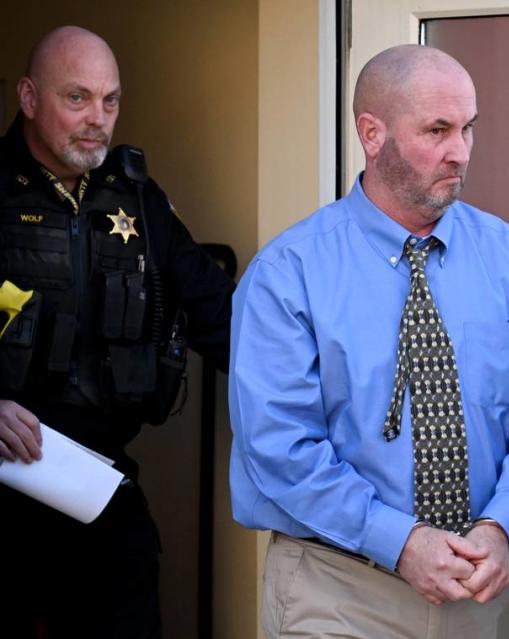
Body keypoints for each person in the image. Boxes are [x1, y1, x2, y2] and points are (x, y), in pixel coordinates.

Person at [229, 44, 509, 638]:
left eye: (468, 127)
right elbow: (279, 445)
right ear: (372, 134)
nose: (460, 151)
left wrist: (502, 525)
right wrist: (398, 542)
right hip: (337, 589)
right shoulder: (289, 273)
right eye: (438, 130)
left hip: (473, 593)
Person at [0, 26, 234, 638]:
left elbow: (220, 316)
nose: (97, 120)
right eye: (77, 98)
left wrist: (324, 393)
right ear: (28, 97)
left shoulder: (135, 197)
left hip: (95, 480)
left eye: (111, 100)